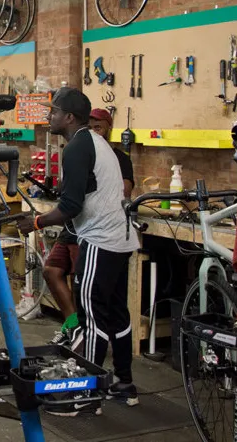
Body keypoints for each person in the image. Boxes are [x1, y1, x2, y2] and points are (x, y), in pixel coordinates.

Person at [18, 88, 140, 414]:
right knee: (116, 315)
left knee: (90, 318)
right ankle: (124, 384)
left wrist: (37, 222)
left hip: (101, 240)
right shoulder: (96, 144)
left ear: (69, 117)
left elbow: (70, 206)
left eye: (54, 111)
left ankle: (85, 395)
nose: (49, 116)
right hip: (121, 239)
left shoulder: (76, 147)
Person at [44, 108, 135, 349]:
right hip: (78, 228)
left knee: (92, 306)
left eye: (99, 127)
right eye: (91, 126)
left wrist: (37, 222)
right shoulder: (78, 149)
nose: (94, 131)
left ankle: (88, 375)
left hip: (98, 233)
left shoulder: (112, 155)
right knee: (52, 270)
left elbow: (76, 202)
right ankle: (74, 328)